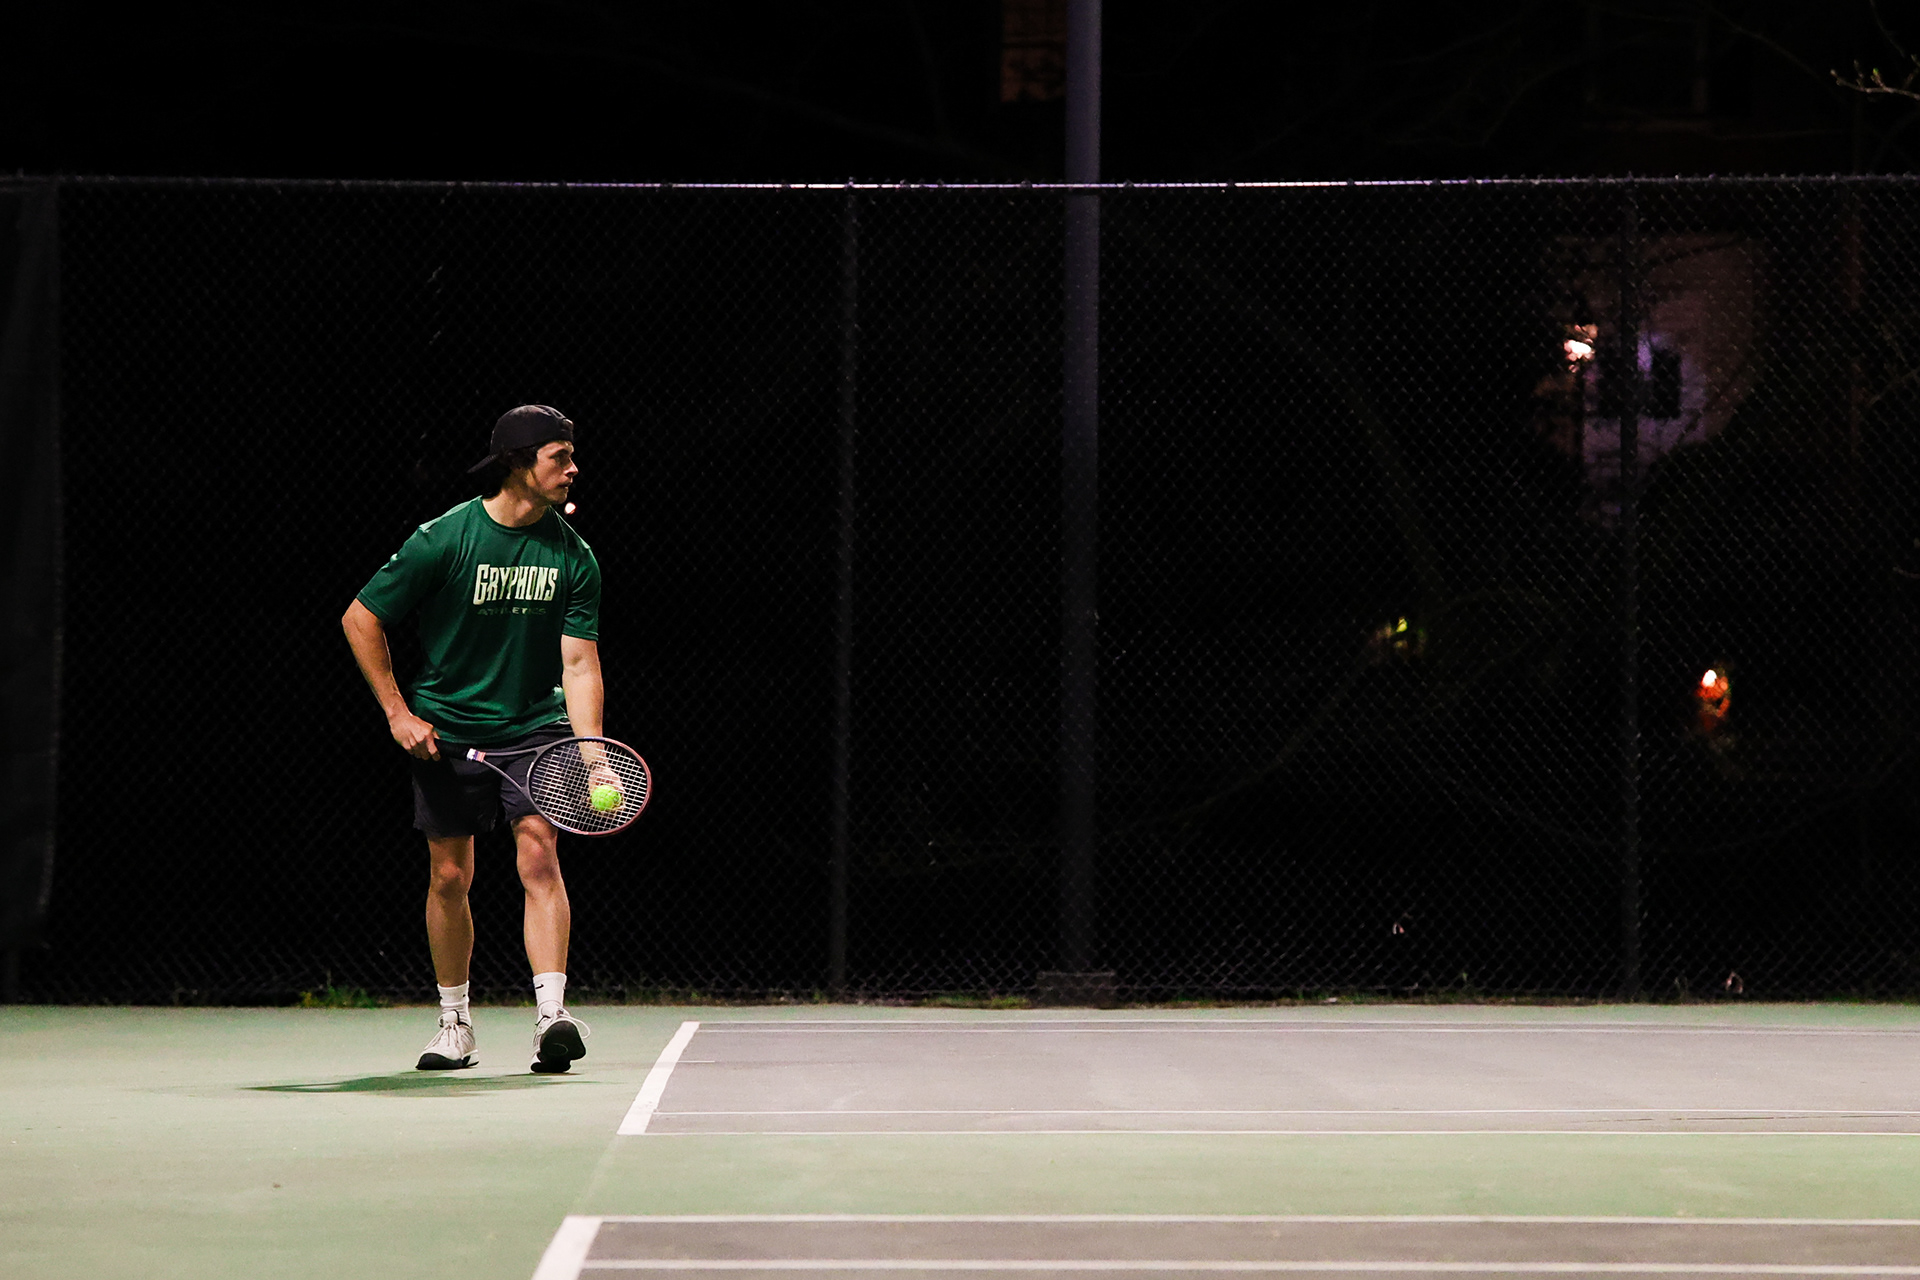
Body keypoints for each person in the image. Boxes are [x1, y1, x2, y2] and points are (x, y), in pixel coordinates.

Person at [341, 405, 605, 1073]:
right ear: (517, 464)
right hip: (449, 728)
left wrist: (592, 751)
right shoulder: (444, 539)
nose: (573, 468)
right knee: (450, 875)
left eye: (572, 455)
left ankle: (552, 1016)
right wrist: (398, 714)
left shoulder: (574, 556)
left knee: (539, 854)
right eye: (559, 457)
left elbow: (578, 663)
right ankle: (455, 1023)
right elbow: (361, 618)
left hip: (535, 727)